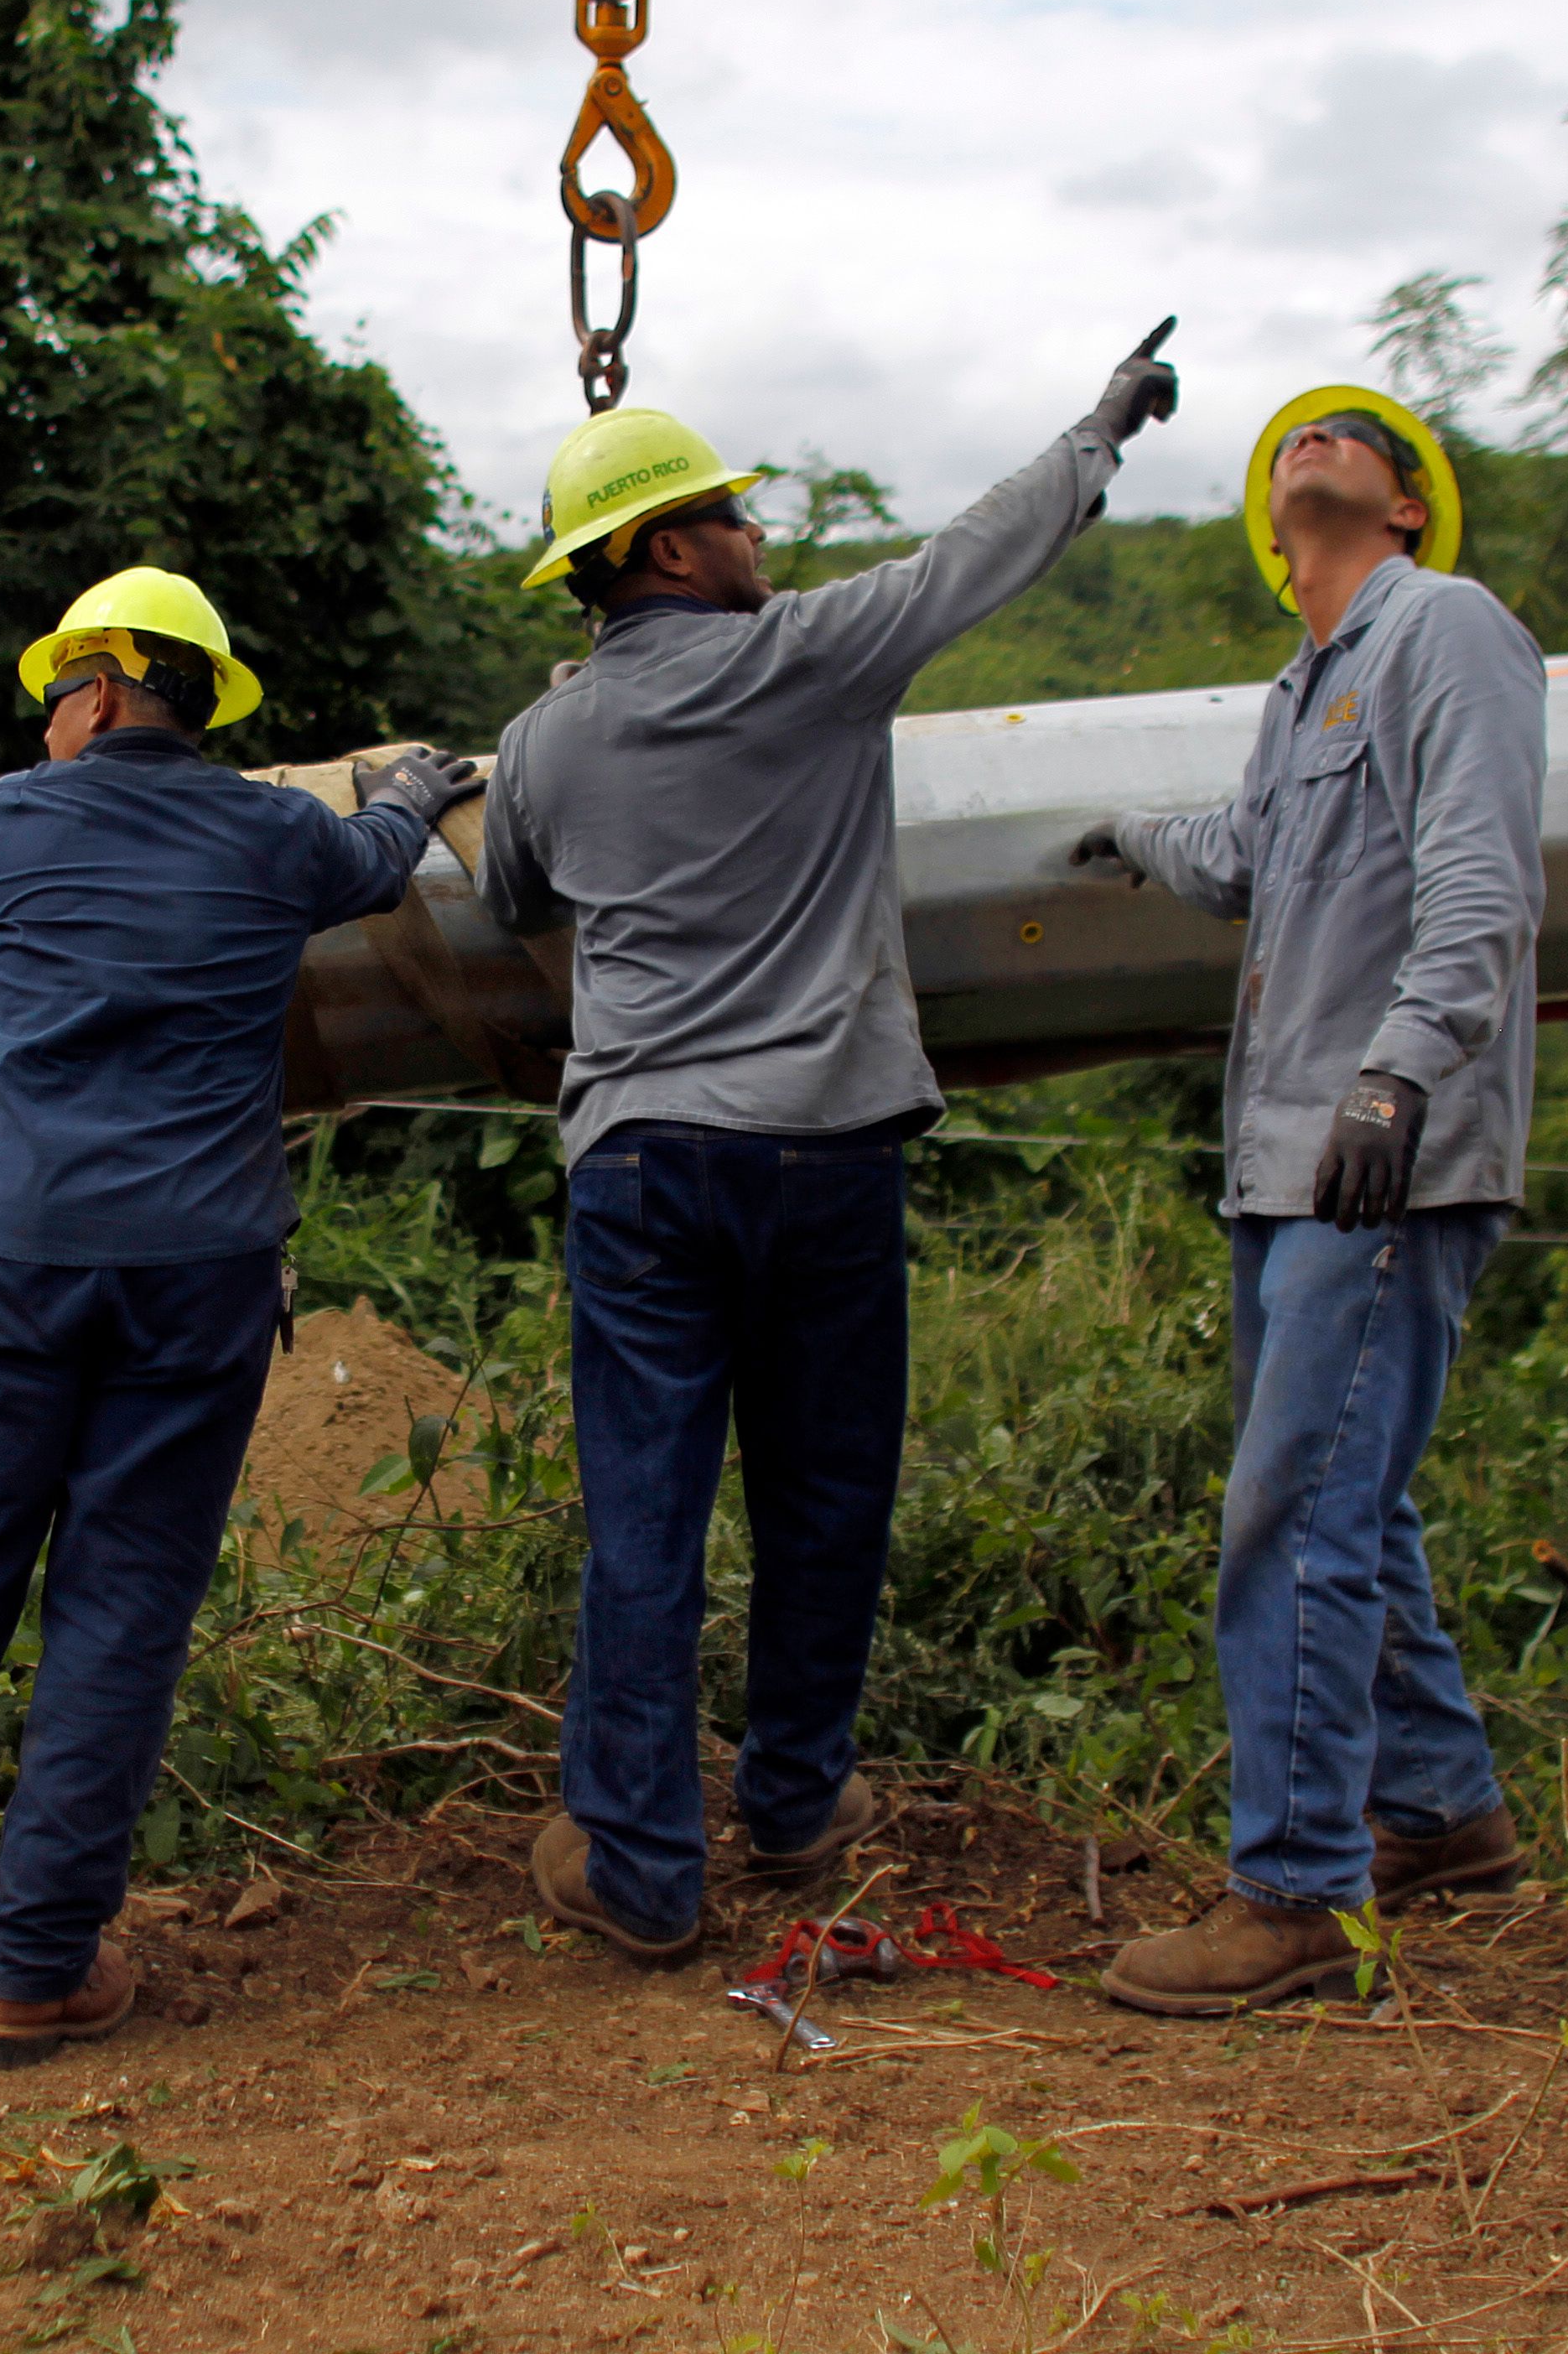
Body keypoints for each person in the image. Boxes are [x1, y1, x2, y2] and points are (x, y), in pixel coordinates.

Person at [475, 322, 1183, 1962]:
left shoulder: (546, 739)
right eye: (729, 514)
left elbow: (515, 898)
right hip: (826, 1152)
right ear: (666, 549)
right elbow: (977, 558)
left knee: (644, 1517)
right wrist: (1098, 431)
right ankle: (794, 1806)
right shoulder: (813, 658)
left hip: (645, 1163)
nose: (757, 533)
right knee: (823, 1497)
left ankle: (642, 1872)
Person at [0, 568, 480, 2068]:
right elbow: (373, 860)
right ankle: (29, 1973)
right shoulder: (275, 833)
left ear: (99, 690)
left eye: (57, 696)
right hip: (200, 1269)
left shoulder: (3, 819)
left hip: (16, 1257)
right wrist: (412, 791)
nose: (46, 723)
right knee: (119, 1609)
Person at [1076, 387, 1547, 2016]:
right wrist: (1127, 835)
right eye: (1293, 439)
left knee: (1292, 1516)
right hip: (1291, 1160)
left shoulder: (1449, 634)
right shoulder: (1306, 691)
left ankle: (1293, 1895)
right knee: (1355, 1497)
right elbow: (1249, 859)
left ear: (1410, 510)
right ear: (1275, 532)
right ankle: (1437, 1813)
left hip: (1375, 1154)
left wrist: (1396, 1075)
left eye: (1362, 442)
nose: (1317, 443)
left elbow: (1483, 879)